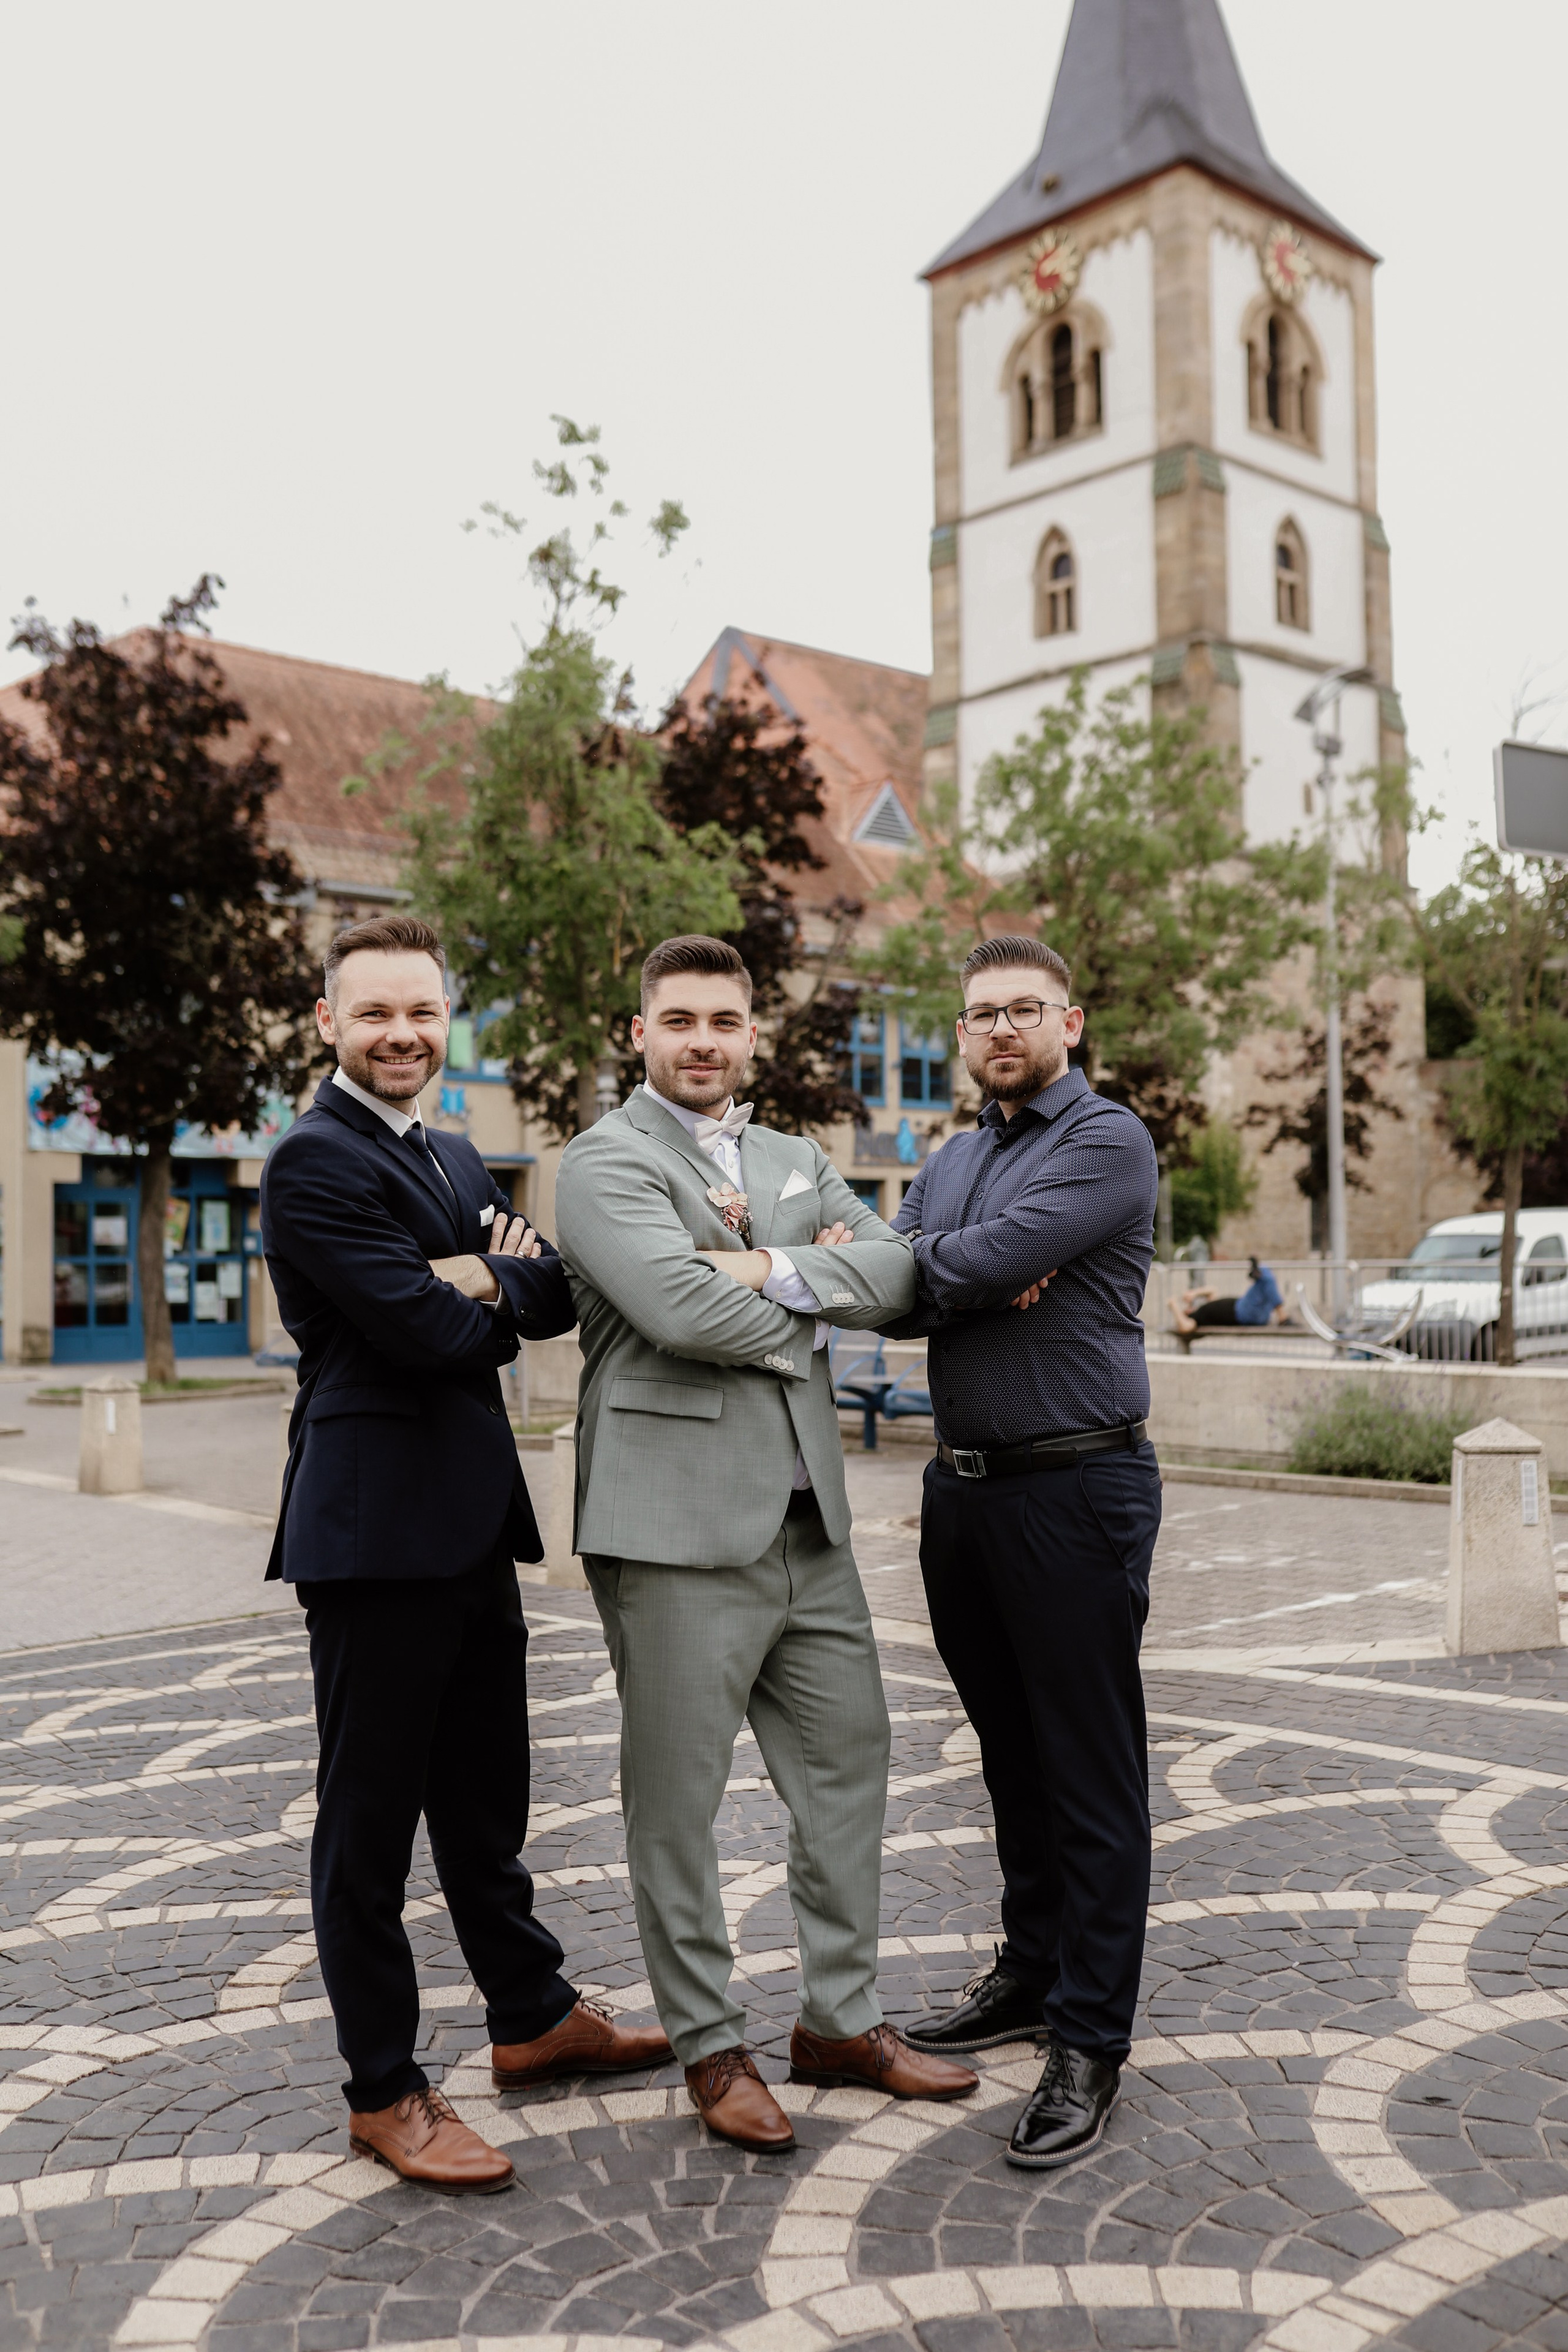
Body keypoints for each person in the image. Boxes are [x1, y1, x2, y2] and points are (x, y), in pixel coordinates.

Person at [261, 913, 669, 2193]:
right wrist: (479, 1284)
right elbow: (425, 1333)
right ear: (328, 1022)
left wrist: (476, 1277)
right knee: (368, 1823)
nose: (401, 1033)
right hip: (373, 1532)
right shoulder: (311, 1163)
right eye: (374, 1012)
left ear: (447, 1023)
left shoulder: (445, 1148)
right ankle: (383, 2088)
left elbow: (551, 1291)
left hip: (468, 1523)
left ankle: (530, 2015)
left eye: (422, 1013)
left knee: (487, 1798)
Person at [554, 934, 978, 2152]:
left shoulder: (796, 1156)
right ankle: (709, 2043)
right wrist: (809, 1287)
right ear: (639, 1034)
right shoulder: (599, 1162)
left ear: (752, 1034)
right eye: (677, 1020)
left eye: (723, 1022)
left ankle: (839, 2023)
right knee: (675, 1806)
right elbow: (676, 1311)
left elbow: (898, 1276)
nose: (702, 1041)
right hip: (675, 1531)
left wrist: (757, 1263)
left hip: (810, 1526)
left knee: (850, 1772)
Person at [890, 935, 1161, 2172]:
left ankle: (1089, 2039)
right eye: (979, 1012)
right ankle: (1030, 1970)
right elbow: (899, 1285)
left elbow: (967, 1260)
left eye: (1021, 1010)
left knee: (1087, 1772)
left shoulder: (1103, 1141)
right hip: (963, 1499)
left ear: (1070, 1020)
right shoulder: (950, 1158)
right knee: (1007, 1756)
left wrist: (972, 1265)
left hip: (1074, 1487)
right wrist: (970, 1273)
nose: (999, 1028)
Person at [1170, 1256, 1285, 1336]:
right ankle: (1283, 1316)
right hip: (1243, 1313)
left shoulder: (1206, 1309)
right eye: (1186, 1309)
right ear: (1186, 1314)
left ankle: (1257, 1272)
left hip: (1246, 1307)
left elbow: (1212, 1291)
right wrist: (1174, 1305)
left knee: (1264, 1277)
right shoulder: (1197, 1318)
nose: (1189, 1307)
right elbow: (1185, 1328)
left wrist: (1194, 1293)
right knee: (1266, 1278)